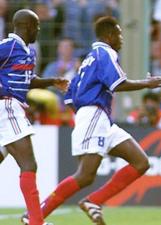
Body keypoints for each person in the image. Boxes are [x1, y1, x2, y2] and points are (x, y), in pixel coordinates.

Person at [21, 16, 161, 225]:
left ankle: (93, 202)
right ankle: (35, 216)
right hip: (94, 115)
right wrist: (147, 83)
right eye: (119, 33)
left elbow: (70, 96)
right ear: (109, 36)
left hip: (99, 117)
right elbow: (118, 84)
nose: (121, 38)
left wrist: (83, 112)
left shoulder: (88, 59)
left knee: (141, 162)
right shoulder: (105, 52)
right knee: (85, 175)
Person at [0, 9, 69, 225]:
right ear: (27, 26)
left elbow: (27, 80)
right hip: (7, 106)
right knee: (29, 164)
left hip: (15, 107)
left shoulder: (29, 52)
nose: (39, 30)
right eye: (37, 26)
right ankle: (36, 221)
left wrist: (51, 81)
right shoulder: (7, 47)